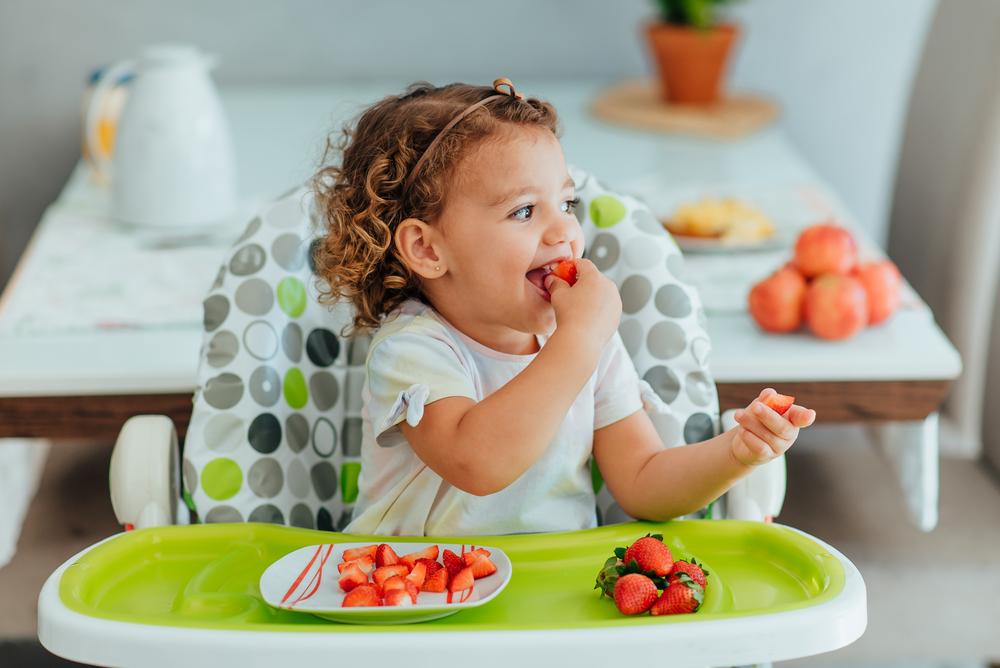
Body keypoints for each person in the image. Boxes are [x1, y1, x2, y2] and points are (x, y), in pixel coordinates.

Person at [311, 78, 815, 536]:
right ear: (427, 249)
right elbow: (478, 463)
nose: (563, 232)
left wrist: (736, 453)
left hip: (554, 598)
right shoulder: (413, 349)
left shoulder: (586, 342)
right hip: (412, 596)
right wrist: (578, 343)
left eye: (567, 205)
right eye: (524, 211)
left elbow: (642, 482)